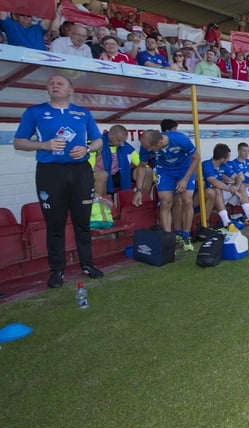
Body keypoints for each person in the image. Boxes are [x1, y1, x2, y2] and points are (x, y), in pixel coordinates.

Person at [13, 74, 105, 288]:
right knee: (54, 225)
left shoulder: (82, 113)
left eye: (60, 83)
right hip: (50, 172)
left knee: (82, 223)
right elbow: (18, 142)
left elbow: (99, 140)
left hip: (80, 171)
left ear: (71, 90)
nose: (55, 85)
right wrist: (44, 145)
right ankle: (57, 271)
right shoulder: (34, 112)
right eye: (51, 82)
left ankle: (87, 264)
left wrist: (88, 148)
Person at [134, 125, 201, 252]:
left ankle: (186, 236)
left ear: (160, 142)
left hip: (184, 169)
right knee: (165, 202)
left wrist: (185, 179)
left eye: (150, 148)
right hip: (165, 171)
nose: (147, 150)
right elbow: (142, 167)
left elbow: (196, 158)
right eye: (146, 147)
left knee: (187, 200)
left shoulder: (180, 139)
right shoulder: (146, 147)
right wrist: (138, 190)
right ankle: (168, 239)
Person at [200, 143, 249, 230]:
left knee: (241, 186)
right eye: (228, 157)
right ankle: (227, 222)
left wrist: (237, 186)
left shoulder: (223, 165)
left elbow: (238, 177)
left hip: (223, 195)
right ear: (222, 158)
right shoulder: (206, 164)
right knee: (216, 189)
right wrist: (232, 190)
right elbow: (214, 182)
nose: (229, 159)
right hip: (209, 195)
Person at [89, 124, 153, 197]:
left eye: (123, 141)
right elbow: (90, 167)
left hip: (119, 175)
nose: (121, 143)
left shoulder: (125, 146)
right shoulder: (98, 144)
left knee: (148, 170)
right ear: (110, 135)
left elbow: (141, 163)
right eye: (119, 140)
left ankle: (142, 198)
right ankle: (101, 204)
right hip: (103, 177)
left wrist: (155, 178)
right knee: (102, 175)